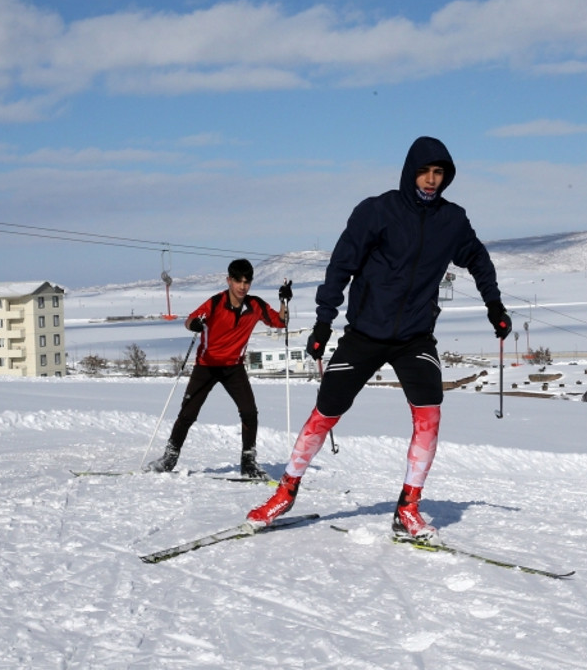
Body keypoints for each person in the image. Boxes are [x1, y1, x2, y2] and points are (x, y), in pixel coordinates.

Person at [244, 136, 511, 543]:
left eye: (439, 173)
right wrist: (323, 323)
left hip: (415, 337)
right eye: (424, 171)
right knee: (325, 413)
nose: (431, 179)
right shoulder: (376, 211)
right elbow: (341, 267)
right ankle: (285, 492)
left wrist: (494, 305)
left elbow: (477, 258)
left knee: (429, 414)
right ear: (409, 172)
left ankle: (408, 507)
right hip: (365, 334)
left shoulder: (452, 220)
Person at [145, 259, 290, 479]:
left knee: (249, 412)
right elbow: (191, 320)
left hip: (234, 367)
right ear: (229, 280)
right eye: (238, 281)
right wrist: (194, 324)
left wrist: (284, 301)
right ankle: (169, 458)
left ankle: (248, 463)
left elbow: (280, 322)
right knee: (188, 413)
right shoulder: (215, 303)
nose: (242, 286)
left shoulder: (255, 306)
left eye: (247, 282)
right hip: (207, 366)